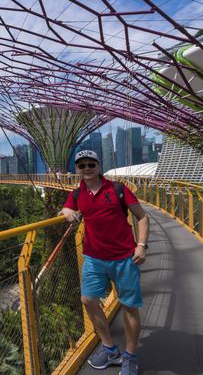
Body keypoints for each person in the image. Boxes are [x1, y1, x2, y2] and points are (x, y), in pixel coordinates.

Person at [60, 150, 149, 375]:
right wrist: (67, 210)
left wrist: (141, 246)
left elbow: (142, 216)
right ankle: (110, 349)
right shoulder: (77, 194)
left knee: (129, 306)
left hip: (124, 258)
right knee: (88, 300)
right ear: (77, 170)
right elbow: (67, 207)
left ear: (99, 166)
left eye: (91, 164)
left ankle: (130, 356)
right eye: (82, 166)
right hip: (93, 257)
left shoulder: (117, 189)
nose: (87, 169)